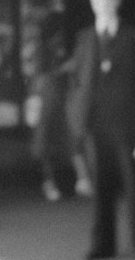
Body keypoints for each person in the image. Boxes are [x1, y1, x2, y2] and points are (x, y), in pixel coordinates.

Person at [69, 0, 135, 260]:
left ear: (118, 1)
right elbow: (77, 83)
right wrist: (77, 121)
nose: (103, 5)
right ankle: (102, 244)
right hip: (96, 125)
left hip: (127, 123)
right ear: (92, 3)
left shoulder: (134, 37)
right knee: (100, 189)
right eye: (98, 0)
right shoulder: (84, 39)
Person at [28, 10, 93, 201]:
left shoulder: (61, 48)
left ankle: (83, 180)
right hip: (47, 99)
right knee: (46, 142)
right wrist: (64, 69)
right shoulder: (42, 50)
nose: (61, 36)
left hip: (63, 98)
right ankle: (50, 183)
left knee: (71, 138)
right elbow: (40, 77)